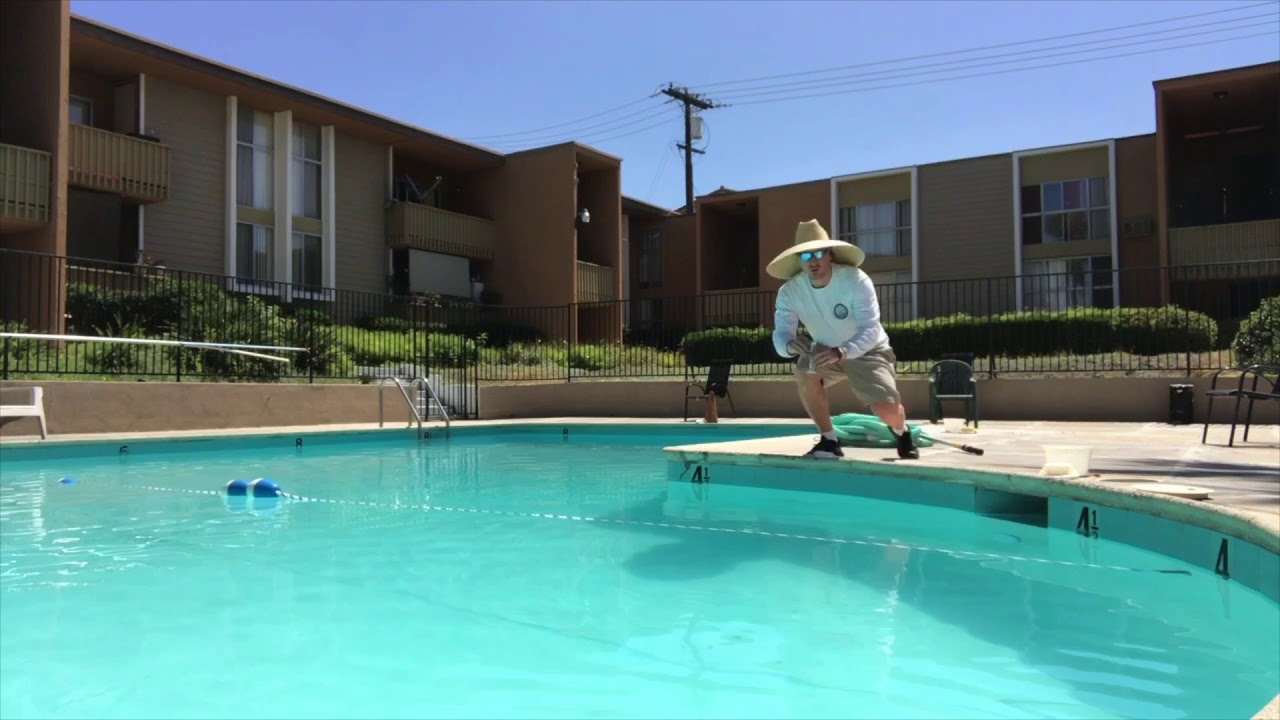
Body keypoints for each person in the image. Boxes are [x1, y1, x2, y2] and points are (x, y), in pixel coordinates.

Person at [766, 219, 919, 460]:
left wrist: (844, 351)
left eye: (818, 253)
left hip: (868, 351)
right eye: (806, 256)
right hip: (825, 350)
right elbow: (781, 332)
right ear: (799, 261)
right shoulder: (789, 292)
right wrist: (788, 344)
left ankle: (902, 431)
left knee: (887, 412)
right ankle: (829, 440)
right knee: (805, 370)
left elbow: (870, 329)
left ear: (830, 255)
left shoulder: (856, 280)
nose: (813, 261)